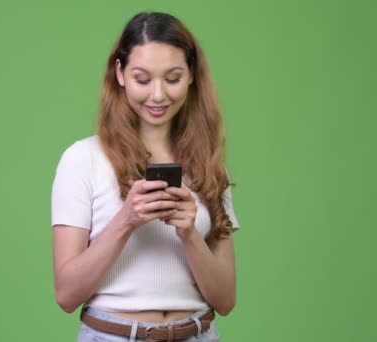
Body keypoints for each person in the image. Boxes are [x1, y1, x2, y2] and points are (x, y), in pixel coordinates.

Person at [51, 12, 240, 342]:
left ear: (192, 75)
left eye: (172, 78)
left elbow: (225, 300)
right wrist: (126, 220)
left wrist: (190, 234)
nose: (158, 95)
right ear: (120, 73)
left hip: (197, 334)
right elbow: (67, 294)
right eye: (142, 79)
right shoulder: (83, 160)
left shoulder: (209, 166)